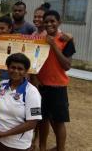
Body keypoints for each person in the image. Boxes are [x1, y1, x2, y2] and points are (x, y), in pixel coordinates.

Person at [0, 53, 42, 151]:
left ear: (26, 71)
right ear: (7, 68)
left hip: (17, 145)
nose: (15, 71)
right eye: (12, 67)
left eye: (20, 69)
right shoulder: (1, 85)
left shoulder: (32, 92)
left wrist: (3, 134)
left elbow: (32, 123)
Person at [37, 10, 76, 151]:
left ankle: (60, 149)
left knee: (58, 122)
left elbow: (67, 65)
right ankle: (42, 147)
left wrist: (53, 45)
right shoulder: (40, 39)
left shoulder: (66, 40)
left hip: (58, 87)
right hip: (41, 87)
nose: (49, 24)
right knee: (42, 120)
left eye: (52, 21)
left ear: (59, 23)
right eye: (46, 21)